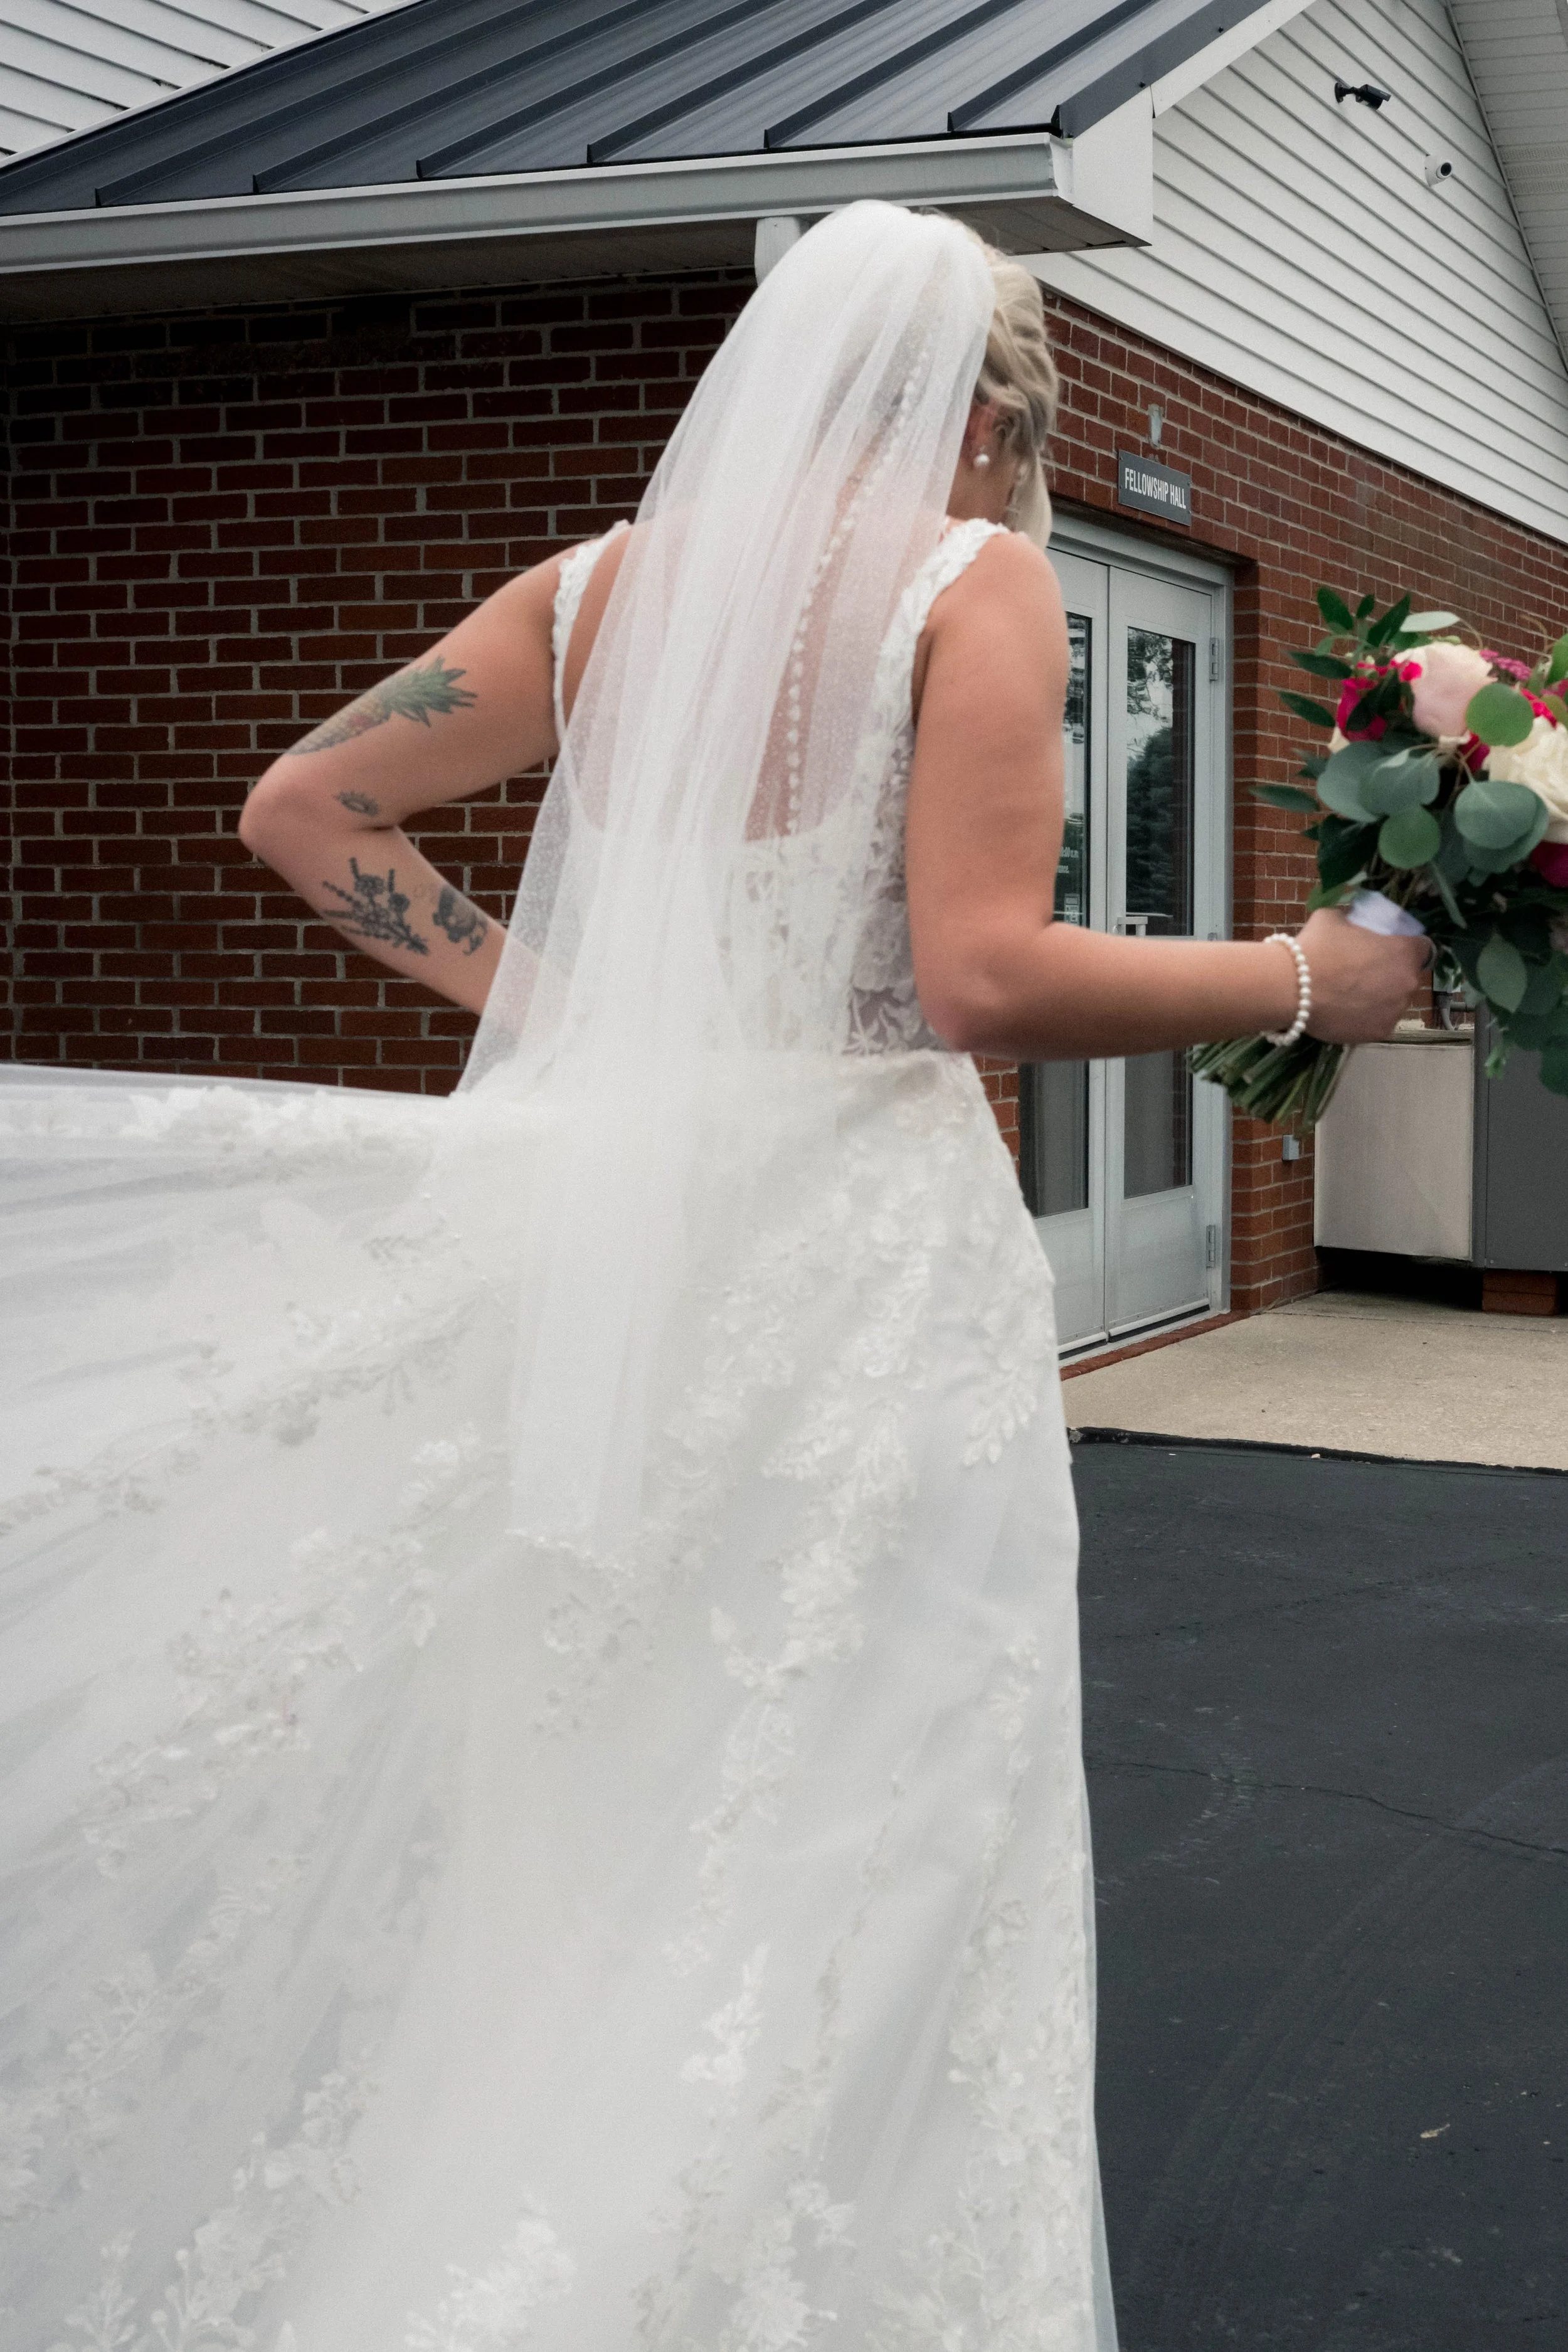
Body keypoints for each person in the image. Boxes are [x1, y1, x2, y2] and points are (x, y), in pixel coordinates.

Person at [0, 203, 1419, 2352]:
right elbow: (977, 977)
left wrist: (550, 1003)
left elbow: (308, 808)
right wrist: (1307, 977)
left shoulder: (596, 592)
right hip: (859, 1266)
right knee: (882, 1799)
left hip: (611, 1228)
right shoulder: (980, 581)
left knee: (620, 1765)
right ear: (987, 413)